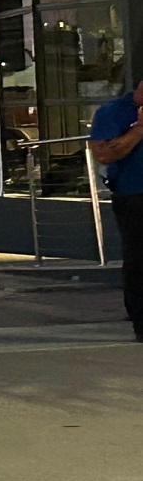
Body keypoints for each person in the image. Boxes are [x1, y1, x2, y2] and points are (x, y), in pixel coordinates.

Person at [89, 79, 143, 342]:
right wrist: (139, 130)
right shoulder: (114, 112)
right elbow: (104, 155)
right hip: (135, 194)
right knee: (139, 259)